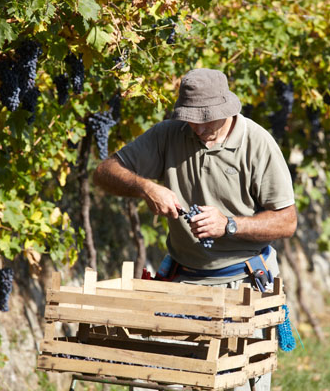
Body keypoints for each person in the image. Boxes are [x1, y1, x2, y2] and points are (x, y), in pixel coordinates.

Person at [93, 68, 296, 391]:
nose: (199, 128)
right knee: (157, 381)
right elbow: (104, 172)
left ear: (227, 109)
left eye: (208, 119)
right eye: (192, 119)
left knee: (234, 383)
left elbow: (287, 221)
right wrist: (146, 187)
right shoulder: (169, 135)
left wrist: (228, 224)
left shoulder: (257, 144)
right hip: (182, 281)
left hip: (243, 284)